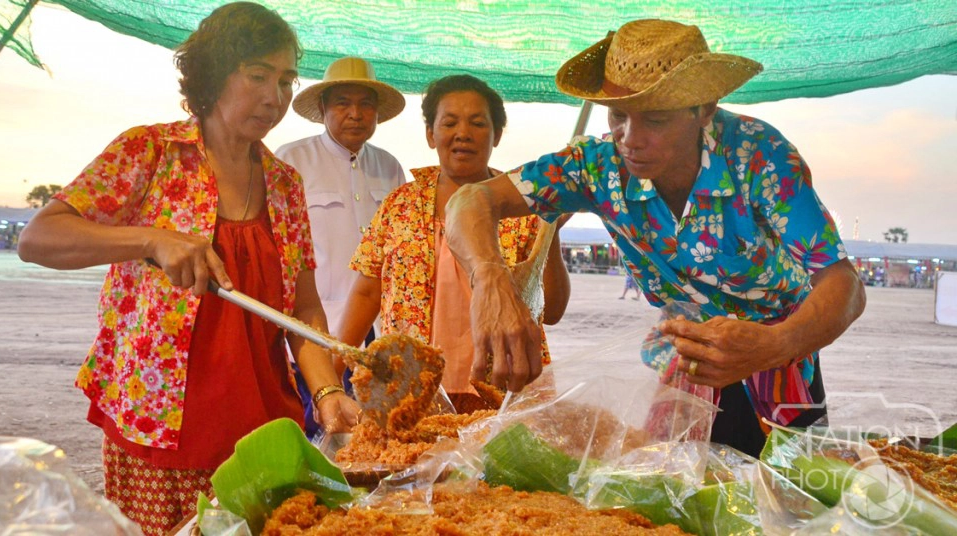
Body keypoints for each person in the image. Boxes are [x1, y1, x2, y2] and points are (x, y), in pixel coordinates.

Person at [444, 19, 866, 457]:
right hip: (685, 359)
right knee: (677, 493)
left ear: (704, 109)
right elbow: (469, 203)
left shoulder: (758, 156)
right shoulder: (596, 166)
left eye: (656, 119)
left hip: (780, 356)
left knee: (792, 497)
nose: (630, 139)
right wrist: (490, 278)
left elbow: (844, 285)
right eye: (619, 115)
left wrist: (776, 345)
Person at [16, 3, 359, 533]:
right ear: (214, 73)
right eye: (258, 76)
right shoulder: (150, 151)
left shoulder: (286, 184)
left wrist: (328, 392)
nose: (275, 97)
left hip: (259, 430)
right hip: (158, 425)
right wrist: (150, 239)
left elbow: (302, 308)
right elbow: (39, 238)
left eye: (287, 80)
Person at [337, 74, 570, 409]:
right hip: (410, 392)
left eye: (477, 123)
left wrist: (553, 231)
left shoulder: (525, 209)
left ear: (497, 135)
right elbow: (366, 291)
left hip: (503, 391)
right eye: (449, 123)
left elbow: (552, 312)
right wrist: (330, 380)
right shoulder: (398, 205)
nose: (463, 133)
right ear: (431, 134)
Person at [274, 56, 406, 435]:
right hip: (314, 331)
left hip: (376, 335)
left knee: (368, 434)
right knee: (315, 429)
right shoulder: (291, 160)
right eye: (343, 103)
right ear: (323, 110)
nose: (356, 113)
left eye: (366, 104)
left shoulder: (390, 167)